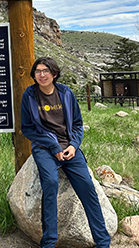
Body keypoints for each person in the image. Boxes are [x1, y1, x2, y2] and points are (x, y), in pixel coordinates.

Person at [21, 57, 110, 248]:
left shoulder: (66, 93)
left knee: (87, 187)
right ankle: (49, 242)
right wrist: (53, 147)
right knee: (51, 184)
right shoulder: (29, 95)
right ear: (33, 74)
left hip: (69, 147)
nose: (42, 75)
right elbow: (27, 129)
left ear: (54, 74)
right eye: (37, 71)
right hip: (45, 148)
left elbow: (77, 124)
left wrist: (73, 146)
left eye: (46, 71)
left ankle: (103, 242)